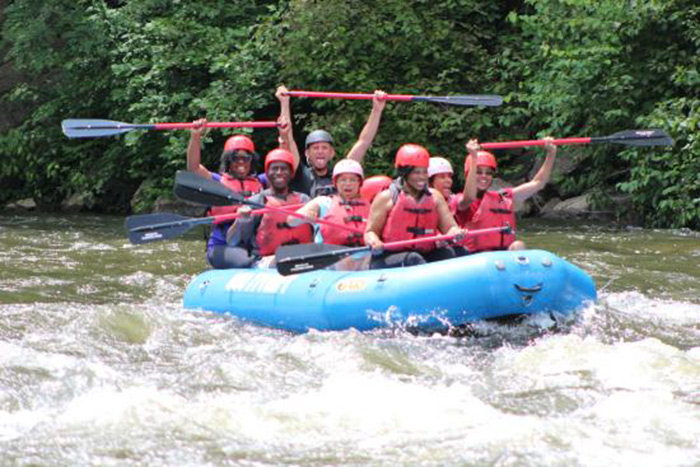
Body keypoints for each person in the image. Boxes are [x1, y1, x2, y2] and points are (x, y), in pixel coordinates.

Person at [364, 144, 464, 268]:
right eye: (416, 172)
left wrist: (456, 232)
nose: (422, 177)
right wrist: (374, 241)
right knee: (413, 259)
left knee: (447, 254)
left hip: (423, 253)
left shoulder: (435, 197)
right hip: (388, 256)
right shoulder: (386, 198)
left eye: (424, 172)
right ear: (404, 173)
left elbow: (449, 227)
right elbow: (370, 232)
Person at [276, 85, 387, 197]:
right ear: (307, 153)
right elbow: (287, 138)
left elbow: (363, 142)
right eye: (315, 148)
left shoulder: (341, 171)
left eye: (324, 148)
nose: (320, 151)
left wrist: (376, 110)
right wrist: (284, 103)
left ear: (332, 153)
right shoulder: (300, 173)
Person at [454, 137, 558, 252]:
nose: (484, 176)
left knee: (518, 245)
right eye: (478, 172)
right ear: (469, 174)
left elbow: (538, 183)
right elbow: (469, 197)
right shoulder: (461, 200)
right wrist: (474, 157)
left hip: (503, 258)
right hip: (477, 258)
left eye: (488, 173)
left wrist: (551, 153)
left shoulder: (503, 196)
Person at [224, 149, 313, 268]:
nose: (279, 172)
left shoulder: (304, 200)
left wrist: (313, 216)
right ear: (267, 173)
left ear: (292, 174)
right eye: (274, 168)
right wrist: (240, 221)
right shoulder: (258, 202)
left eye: (284, 168)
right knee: (279, 261)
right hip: (267, 261)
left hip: (302, 258)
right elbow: (232, 241)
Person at [287, 159, 368, 246]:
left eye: (352, 180)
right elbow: (291, 221)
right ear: (335, 183)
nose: (348, 184)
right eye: (343, 180)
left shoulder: (372, 205)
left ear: (360, 183)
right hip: (329, 255)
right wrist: (307, 214)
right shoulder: (324, 202)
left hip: (365, 254)